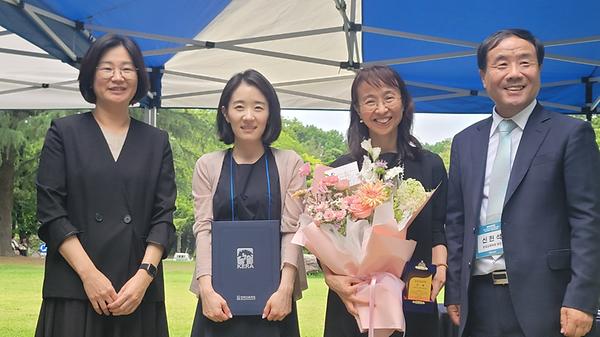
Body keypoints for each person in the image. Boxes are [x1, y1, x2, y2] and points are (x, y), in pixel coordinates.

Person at [445, 29, 600, 337]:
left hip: (550, 301)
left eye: (525, 63)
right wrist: (455, 291)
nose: (514, 74)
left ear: (539, 69)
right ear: (483, 76)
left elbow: (589, 221)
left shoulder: (570, 135)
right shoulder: (465, 143)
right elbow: (457, 222)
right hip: (478, 301)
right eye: (502, 64)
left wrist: (582, 298)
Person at [35, 34, 176, 337]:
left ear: (139, 77)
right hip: (74, 287)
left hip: (136, 291)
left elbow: (163, 217)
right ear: (90, 74)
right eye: (107, 68)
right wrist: (89, 276)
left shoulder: (157, 142)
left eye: (127, 69)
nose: (117, 77)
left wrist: (144, 276)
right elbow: (51, 213)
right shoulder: (63, 133)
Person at [323, 64, 448, 337]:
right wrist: (333, 281)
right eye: (370, 101)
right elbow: (327, 235)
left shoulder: (430, 165)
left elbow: (439, 229)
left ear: (403, 103)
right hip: (355, 300)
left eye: (389, 97)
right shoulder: (340, 172)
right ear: (357, 110)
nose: (381, 109)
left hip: (414, 294)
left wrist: (440, 269)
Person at [189, 69, 308, 337]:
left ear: (270, 113)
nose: (248, 116)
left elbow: (292, 230)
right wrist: (206, 290)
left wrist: (285, 289)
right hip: (218, 301)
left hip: (274, 301)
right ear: (225, 112)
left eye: (258, 107)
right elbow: (203, 230)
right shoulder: (207, 166)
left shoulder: (290, 163)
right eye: (239, 107)